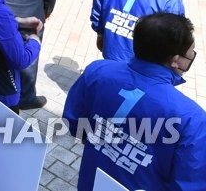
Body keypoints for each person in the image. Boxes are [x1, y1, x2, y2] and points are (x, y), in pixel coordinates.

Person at [63, 13, 206, 191]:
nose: (191, 57)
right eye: (190, 55)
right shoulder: (193, 119)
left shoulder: (98, 71)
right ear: (175, 60)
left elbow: (73, 121)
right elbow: (190, 184)